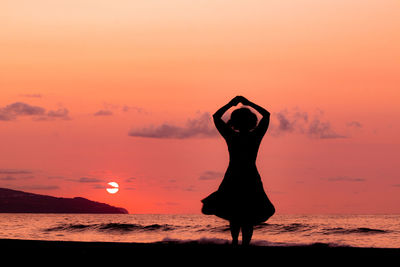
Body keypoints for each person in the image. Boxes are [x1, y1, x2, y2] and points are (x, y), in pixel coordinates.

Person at [201, 96, 275, 246]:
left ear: (234, 123)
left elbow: (216, 117)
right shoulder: (255, 136)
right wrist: (249, 103)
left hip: (235, 175)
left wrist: (230, 104)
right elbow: (267, 115)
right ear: (252, 122)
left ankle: (235, 242)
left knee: (235, 213)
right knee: (247, 213)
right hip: (249, 176)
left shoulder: (231, 136)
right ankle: (244, 244)